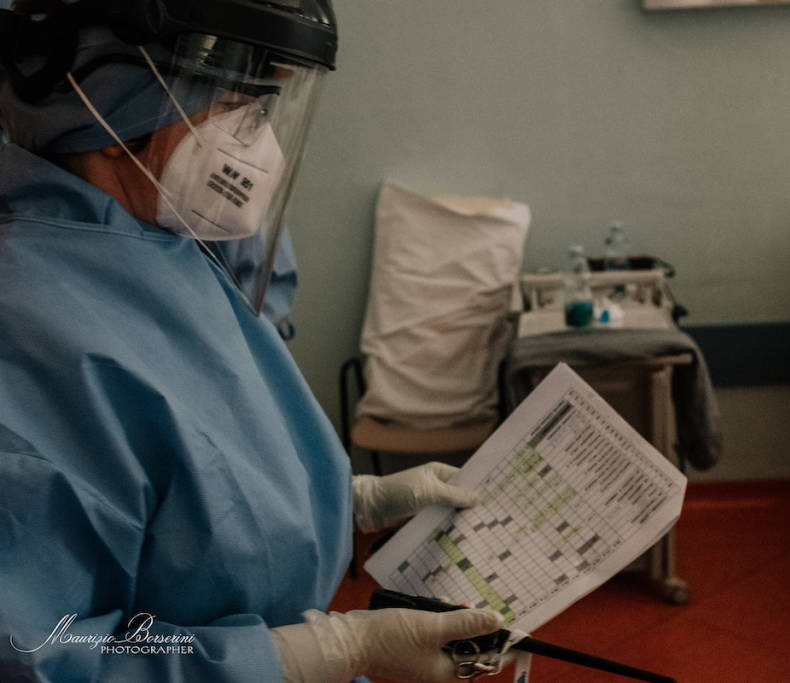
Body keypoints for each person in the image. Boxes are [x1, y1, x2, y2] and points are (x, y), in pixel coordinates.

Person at [0, 1, 503, 681]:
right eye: (229, 94)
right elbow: (42, 650)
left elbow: (191, 487)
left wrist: (353, 499)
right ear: (110, 103)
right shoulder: (29, 329)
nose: (255, 134)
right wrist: (314, 654)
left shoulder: (162, 249)